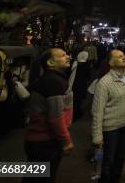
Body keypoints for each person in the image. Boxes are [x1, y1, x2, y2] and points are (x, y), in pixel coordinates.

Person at [24, 48, 74, 182]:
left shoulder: (52, 78)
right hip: (45, 142)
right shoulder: (53, 82)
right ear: (50, 62)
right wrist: (66, 140)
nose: (68, 57)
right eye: (63, 55)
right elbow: (55, 117)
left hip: (40, 142)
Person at [91, 49, 125, 183]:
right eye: (119, 57)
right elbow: (97, 111)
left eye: (124, 56)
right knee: (108, 161)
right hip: (111, 128)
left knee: (121, 157)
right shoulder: (104, 83)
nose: (124, 58)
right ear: (111, 63)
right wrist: (97, 135)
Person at [70, 51, 91, 121]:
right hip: (80, 85)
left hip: (73, 83)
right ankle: (76, 114)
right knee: (78, 100)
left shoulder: (75, 62)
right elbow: (88, 76)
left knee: (73, 99)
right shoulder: (86, 65)